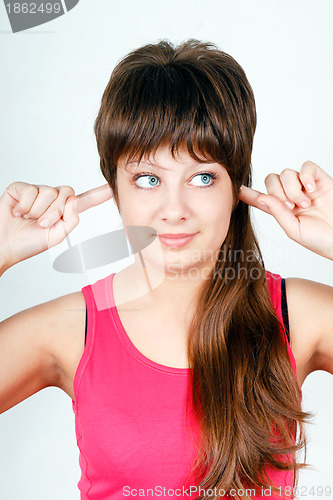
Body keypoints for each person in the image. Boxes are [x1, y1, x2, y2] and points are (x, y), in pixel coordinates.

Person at [0, 38, 332, 500]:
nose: (173, 210)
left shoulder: (297, 315)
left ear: (237, 185)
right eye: (147, 179)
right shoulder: (69, 330)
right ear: (114, 188)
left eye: (202, 177)